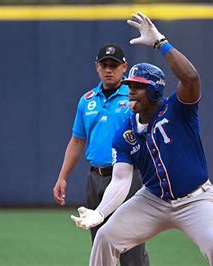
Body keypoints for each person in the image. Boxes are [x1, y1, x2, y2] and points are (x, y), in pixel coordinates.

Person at [70, 11, 213, 266]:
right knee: (105, 236)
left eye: (137, 87)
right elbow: (121, 179)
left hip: (195, 198)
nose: (131, 91)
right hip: (152, 200)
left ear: (155, 89)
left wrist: (160, 42)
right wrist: (101, 212)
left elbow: (191, 78)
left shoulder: (178, 109)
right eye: (129, 86)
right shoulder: (126, 131)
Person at [53, 43, 150, 266]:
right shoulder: (87, 100)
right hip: (95, 178)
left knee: (131, 246)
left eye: (114, 65)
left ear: (124, 67)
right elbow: (77, 140)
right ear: (96, 67)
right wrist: (62, 177)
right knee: (100, 244)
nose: (109, 69)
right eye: (104, 65)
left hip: (127, 177)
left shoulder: (134, 97)